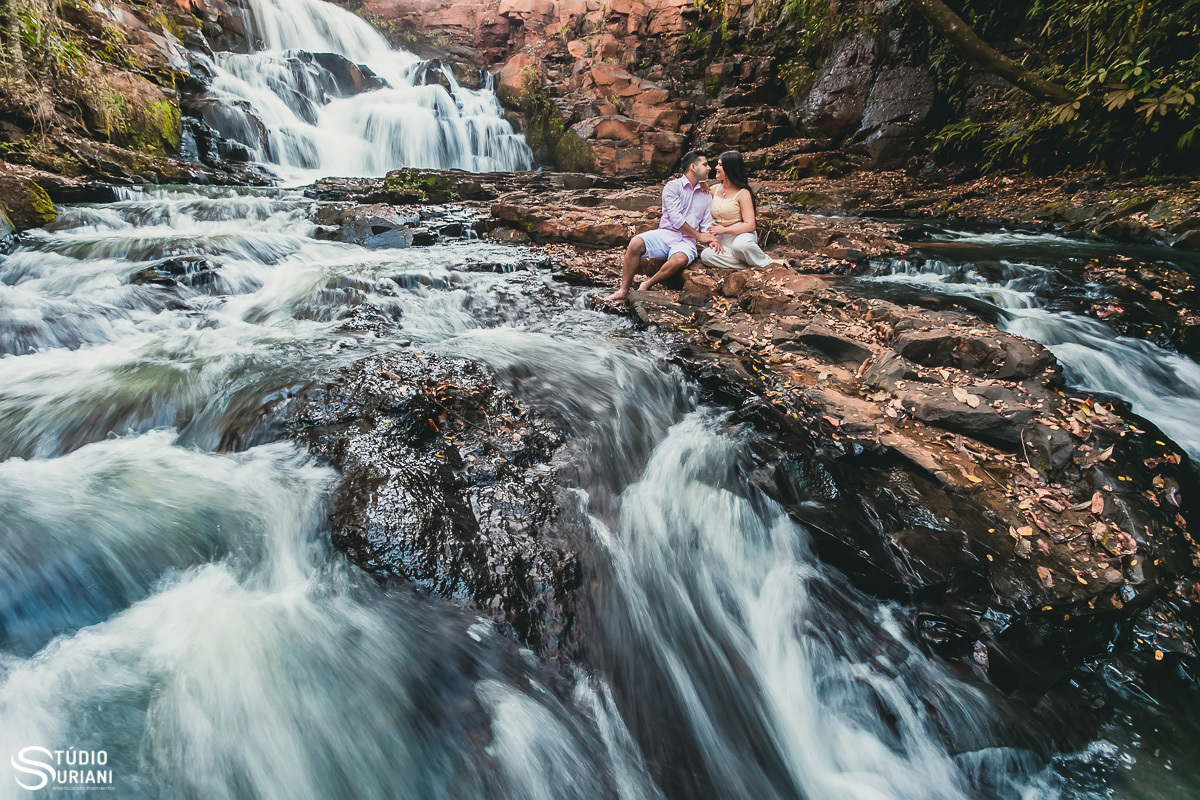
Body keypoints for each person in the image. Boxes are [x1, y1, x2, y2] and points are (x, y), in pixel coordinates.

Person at [600, 151, 715, 302]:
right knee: (635, 243)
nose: (709, 168)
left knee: (679, 260)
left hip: (687, 241)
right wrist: (700, 236)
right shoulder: (673, 187)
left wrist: (711, 239)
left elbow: (707, 223)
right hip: (665, 234)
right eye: (705, 165)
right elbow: (676, 220)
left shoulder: (706, 194)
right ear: (693, 167)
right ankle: (623, 290)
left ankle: (647, 284)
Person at [699, 150, 783, 271]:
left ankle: (766, 262)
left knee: (740, 246)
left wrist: (725, 230)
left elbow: (750, 225)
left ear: (730, 168)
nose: (716, 167)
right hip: (723, 239)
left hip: (741, 234)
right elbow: (695, 205)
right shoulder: (713, 190)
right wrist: (699, 183)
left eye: (721, 165)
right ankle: (753, 263)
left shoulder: (743, 193)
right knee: (706, 255)